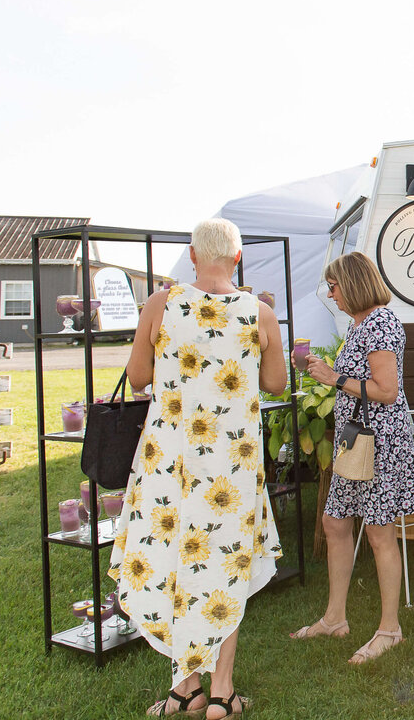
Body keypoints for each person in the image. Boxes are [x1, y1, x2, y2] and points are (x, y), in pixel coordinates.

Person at [110, 218, 285, 719]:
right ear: (238, 258)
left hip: (171, 457)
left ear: (191, 257)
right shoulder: (260, 313)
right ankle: (222, 693)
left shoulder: (161, 304)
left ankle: (186, 687)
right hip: (231, 463)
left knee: (169, 556)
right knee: (227, 562)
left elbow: (139, 377)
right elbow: (275, 382)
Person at [288, 252, 414, 664]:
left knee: (379, 533)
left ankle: (390, 629)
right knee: (335, 523)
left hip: (380, 442)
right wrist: (331, 371)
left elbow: (386, 390)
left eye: (334, 286)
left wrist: (334, 378)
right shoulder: (360, 324)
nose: (330, 294)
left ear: (352, 283)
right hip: (356, 440)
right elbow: (364, 381)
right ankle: (335, 619)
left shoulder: (382, 323)